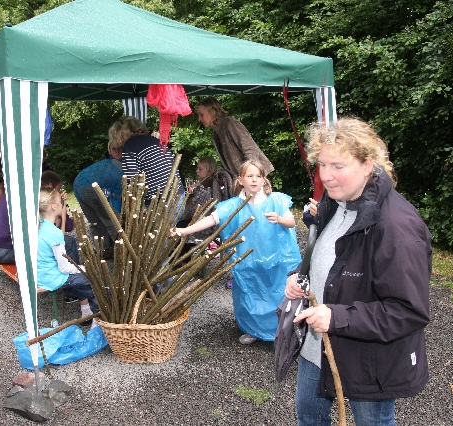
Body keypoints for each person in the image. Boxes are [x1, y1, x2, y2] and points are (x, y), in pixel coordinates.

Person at [286, 118, 431, 425]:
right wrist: (301, 275)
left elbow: (408, 311)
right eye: (322, 164)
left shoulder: (397, 227)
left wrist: (336, 317)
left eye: (338, 166)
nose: (326, 176)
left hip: (368, 359)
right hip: (317, 347)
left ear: (368, 165)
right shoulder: (335, 201)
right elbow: (329, 256)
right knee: (309, 418)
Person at [171, 160, 301, 344]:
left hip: (277, 259)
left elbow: (292, 222)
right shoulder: (234, 205)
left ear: (263, 180)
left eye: (258, 176)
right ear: (240, 180)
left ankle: (282, 332)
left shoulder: (276, 201)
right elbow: (212, 219)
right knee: (250, 293)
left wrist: (280, 219)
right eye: (250, 176)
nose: (254, 180)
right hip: (248, 260)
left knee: (277, 293)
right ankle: (253, 330)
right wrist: (184, 231)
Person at [37, 187, 99, 328]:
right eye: (60, 203)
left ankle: (86, 311)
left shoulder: (39, 224)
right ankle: (97, 318)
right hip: (51, 278)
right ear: (54, 207)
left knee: (79, 275)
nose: (62, 205)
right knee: (94, 279)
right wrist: (85, 269)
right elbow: (64, 268)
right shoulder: (54, 233)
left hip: (40, 274)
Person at [110, 116, 185, 206]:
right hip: (178, 195)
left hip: (161, 202)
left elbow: (131, 180)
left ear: (119, 134)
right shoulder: (154, 140)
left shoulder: (130, 145)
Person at [196, 97, 274, 179]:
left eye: (201, 115)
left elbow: (250, 150)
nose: (199, 119)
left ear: (212, 112)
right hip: (243, 179)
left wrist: (251, 176)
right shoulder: (217, 134)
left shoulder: (229, 123)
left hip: (255, 177)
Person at [73, 141, 123, 258]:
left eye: (119, 148)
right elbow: (116, 197)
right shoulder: (119, 167)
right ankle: (122, 251)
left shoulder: (108, 163)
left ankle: (102, 250)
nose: (117, 151)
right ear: (110, 150)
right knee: (112, 221)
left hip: (77, 184)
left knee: (95, 222)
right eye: (114, 149)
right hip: (91, 188)